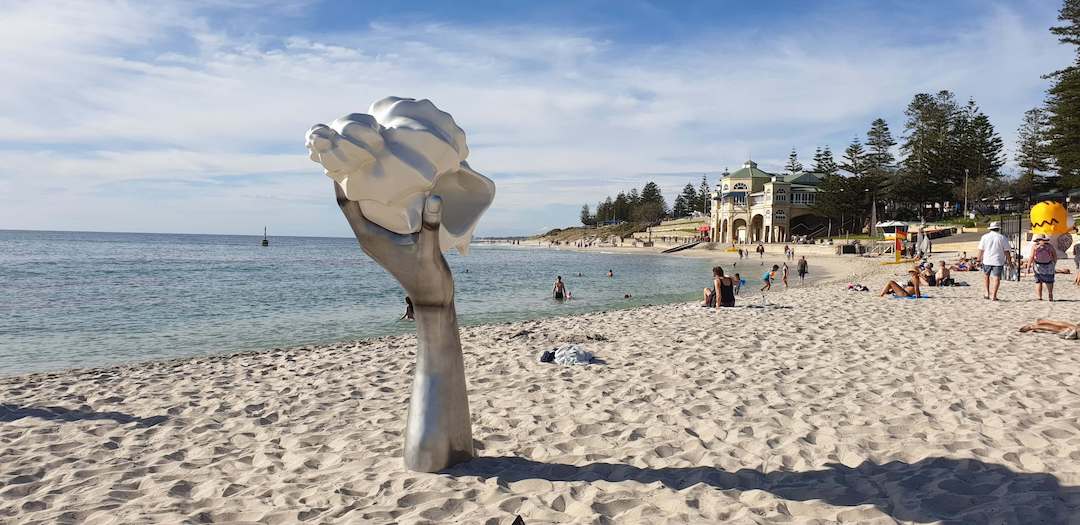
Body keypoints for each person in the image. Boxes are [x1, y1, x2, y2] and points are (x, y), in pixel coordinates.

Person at [977, 221, 1012, 301]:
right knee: (996, 278)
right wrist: (1010, 262)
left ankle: (987, 293)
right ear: (998, 229)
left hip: (987, 260)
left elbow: (981, 250)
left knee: (986, 276)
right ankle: (994, 295)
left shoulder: (985, 237)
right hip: (998, 260)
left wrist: (978, 259)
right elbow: (1006, 251)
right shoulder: (1002, 237)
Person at [1029, 234, 1058, 301]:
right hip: (1048, 265)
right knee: (1049, 281)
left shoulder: (1035, 246)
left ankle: (1039, 296)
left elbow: (1031, 257)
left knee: (1038, 281)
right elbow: (1055, 255)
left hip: (1038, 265)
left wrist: (1028, 266)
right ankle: (1050, 295)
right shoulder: (1049, 246)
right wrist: (1054, 263)